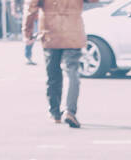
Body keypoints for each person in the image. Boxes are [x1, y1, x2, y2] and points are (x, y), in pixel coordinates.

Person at [23, 0, 86, 128]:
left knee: (53, 73)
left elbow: (31, 7)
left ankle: (55, 112)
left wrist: (27, 31)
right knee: (72, 72)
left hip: (50, 31)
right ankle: (69, 111)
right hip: (73, 32)